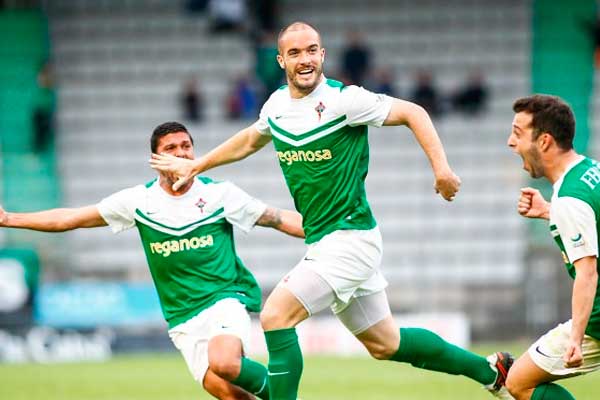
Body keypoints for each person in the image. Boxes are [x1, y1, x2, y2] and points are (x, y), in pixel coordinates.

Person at [150, 22, 514, 400]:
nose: (305, 59)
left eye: (311, 50)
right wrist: (197, 165)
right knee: (385, 342)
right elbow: (249, 140)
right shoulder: (277, 106)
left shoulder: (345, 100)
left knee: (276, 316)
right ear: (281, 60)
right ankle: (490, 371)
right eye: (295, 53)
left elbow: (414, 112)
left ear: (322, 54)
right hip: (327, 241)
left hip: (350, 237)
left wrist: (442, 170)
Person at [0, 121, 306, 400]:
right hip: (182, 316)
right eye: (170, 148)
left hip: (224, 298)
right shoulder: (139, 202)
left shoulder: (220, 194)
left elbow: (277, 218)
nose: (181, 153)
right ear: (155, 160)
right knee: (229, 394)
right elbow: (71, 218)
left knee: (225, 362)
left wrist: (328, 231)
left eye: (186, 146)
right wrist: (10, 218)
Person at [505, 95, 600, 400]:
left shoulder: (571, 199)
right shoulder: (590, 171)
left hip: (597, 322)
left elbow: (587, 273)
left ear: (544, 141)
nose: (510, 142)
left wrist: (575, 338)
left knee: (518, 382)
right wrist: (550, 211)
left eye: (518, 133)